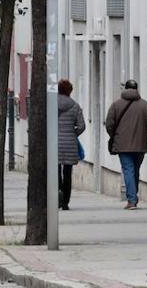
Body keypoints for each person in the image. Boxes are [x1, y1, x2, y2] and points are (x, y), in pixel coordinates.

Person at [105, 79, 147, 209]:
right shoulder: (145, 105)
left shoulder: (116, 105)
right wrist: (146, 131)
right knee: (135, 170)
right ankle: (133, 196)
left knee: (128, 170)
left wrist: (114, 135)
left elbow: (109, 124)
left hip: (122, 145)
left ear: (125, 89)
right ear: (136, 89)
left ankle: (132, 200)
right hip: (140, 145)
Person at [56, 79, 86, 210]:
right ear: (70, 91)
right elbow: (81, 126)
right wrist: (72, 134)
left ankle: (57, 196)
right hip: (69, 144)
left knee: (55, 173)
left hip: (54, 144)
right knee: (67, 173)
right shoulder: (75, 106)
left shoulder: (50, 104)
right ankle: (66, 202)